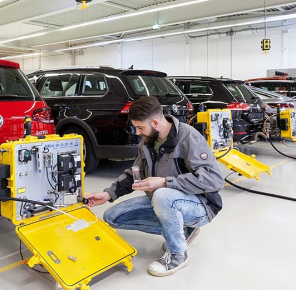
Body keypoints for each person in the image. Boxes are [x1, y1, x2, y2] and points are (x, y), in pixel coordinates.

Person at [85, 96, 224, 277]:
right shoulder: (148, 142)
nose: (136, 132)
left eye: (140, 127)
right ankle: (182, 229)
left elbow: (213, 180)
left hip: (201, 206)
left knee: (162, 195)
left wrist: (165, 182)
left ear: (156, 122)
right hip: (166, 201)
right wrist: (108, 194)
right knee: (112, 217)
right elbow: (135, 172)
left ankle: (177, 254)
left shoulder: (188, 137)